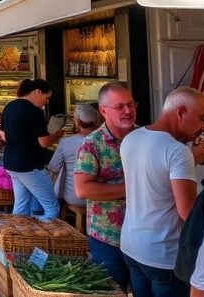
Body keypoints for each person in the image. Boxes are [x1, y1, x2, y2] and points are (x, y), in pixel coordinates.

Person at [120, 87, 204, 297]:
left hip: (131, 245)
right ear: (180, 112)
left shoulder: (132, 137)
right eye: (202, 118)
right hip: (163, 255)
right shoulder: (178, 152)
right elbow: (188, 213)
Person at [74, 82, 139, 293]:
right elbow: (82, 189)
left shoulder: (145, 137)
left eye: (131, 104)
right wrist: (132, 189)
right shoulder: (92, 144)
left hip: (144, 236)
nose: (128, 111)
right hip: (109, 238)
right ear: (103, 111)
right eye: (119, 107)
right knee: (112, 291)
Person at [1, 78, 64, 220]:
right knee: (52, 207)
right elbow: (44, 142)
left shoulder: (9, 107)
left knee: (21, 205)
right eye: (46, 98)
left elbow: (3, 135)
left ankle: (19, 238)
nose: (46, 102)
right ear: (37, 92)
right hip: (30, 165)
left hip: (11, 162)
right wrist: (57, 135)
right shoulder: (35, 112)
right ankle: (44, 239)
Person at [49, 103, 100, 210]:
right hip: (101, 195)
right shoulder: (103, 141)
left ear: (77, 121)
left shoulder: (66, 142)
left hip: (75, 197)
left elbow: (53, 167)